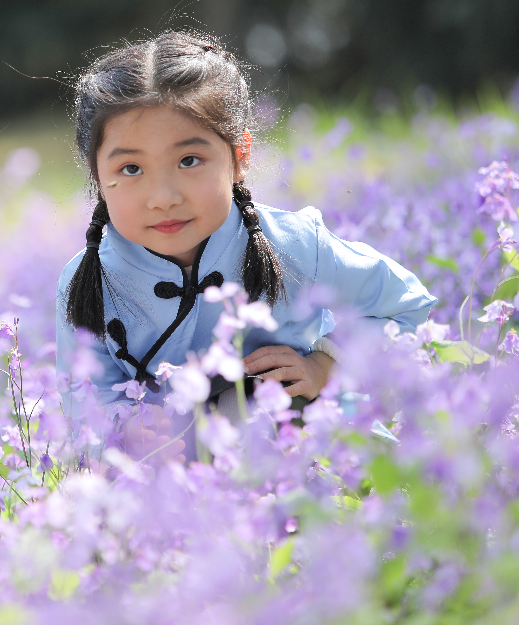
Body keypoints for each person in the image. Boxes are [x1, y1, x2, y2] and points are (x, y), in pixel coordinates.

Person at [56, 31, 437, 463]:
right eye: (130, 168)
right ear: (96, 173)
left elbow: (404, 305)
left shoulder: (293, 245)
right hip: (170, 478)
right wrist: (123, 429)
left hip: (302, 453)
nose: (162, 196)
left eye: (188, 160)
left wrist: (325, 365)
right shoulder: (86, 281)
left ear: (240, 155)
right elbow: (83, 398)